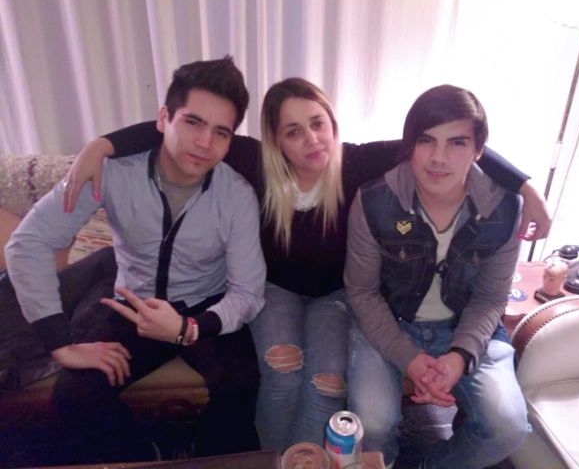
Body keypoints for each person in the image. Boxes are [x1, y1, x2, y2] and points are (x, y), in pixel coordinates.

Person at [61, 78, 547, 453]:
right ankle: (276, 458)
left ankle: (304, 460)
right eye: (293, 131)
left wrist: (525, 187)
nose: (311, 139)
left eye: (318, 123)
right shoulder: (254, 162)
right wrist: (102, 145)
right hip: (273, 291)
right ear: (276, 141)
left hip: (338, 296)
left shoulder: (358, 163)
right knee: (282, 369)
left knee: (325, 383)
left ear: (332, 123)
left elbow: (447, 143)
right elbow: (177, 132)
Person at [5, 57, 266, 463]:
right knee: (75, 394)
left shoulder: (237, 196)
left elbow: (248, 291)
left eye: (220, 132)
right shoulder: (111, 173)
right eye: (193, 122)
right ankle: (153, 452)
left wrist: (189, 328)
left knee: (240, 387)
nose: (204, 143)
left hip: (204, 306)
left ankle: (206, 454)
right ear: (163, 119)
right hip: (132, 302)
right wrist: (60, 344)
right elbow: (28, 242)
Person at [344, 84, 529, 468]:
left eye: (457, 143)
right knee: (373, 423)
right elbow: (361, 292)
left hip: (465, 323)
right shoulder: (374, 200)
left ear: (478, 151)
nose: (438, 158)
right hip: (389, 321)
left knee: (508, 426)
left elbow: (491, 298)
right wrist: (409, 357)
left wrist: (460, 355)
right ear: (409, 145)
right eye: (426, 140)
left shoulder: (505, 209)